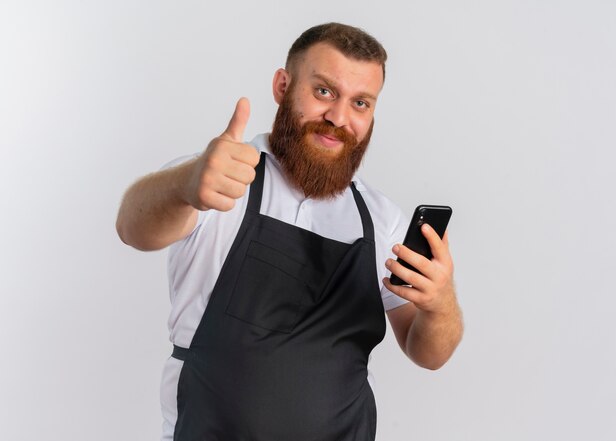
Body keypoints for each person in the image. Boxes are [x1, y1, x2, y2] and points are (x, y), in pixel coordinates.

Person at [116, 22, 463, 441]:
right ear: (283, 86)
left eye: (361, 103)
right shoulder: (222, 178)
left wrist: (440, 304)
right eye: (323, 92)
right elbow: (132, 227)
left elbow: (427, 353)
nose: (338, 118)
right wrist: (183, 185)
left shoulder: (379, 219)